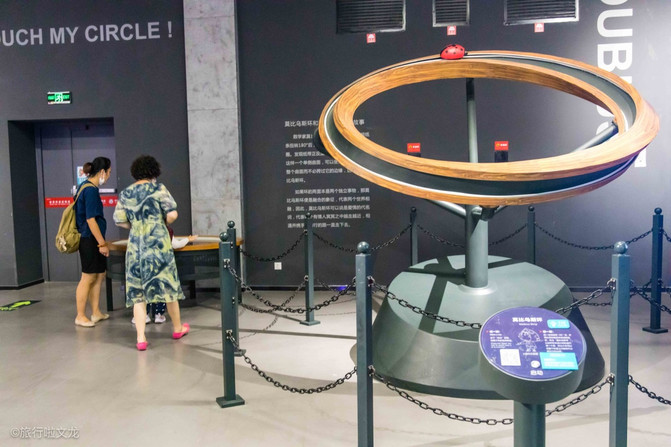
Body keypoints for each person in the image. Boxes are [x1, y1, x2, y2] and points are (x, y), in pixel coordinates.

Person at [113, 155, 189, 351]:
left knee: (138, 294)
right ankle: (178, 328)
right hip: (158, 245)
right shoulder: (158, 189)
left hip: (136, 247)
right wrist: (159, 222)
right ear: (154, 171)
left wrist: (136, 225)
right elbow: (172, 214)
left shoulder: (126, 193)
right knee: (169, 287)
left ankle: (141, 338)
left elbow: (119, 220)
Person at [74, 157, 112, 328]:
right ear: (102, 171)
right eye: (109, 172)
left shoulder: (87, 187)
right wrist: (102, 244)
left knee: (99, 274)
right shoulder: (90, 190)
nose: (109, 176)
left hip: (93, 238)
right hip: (89, 239)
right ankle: (80, 315)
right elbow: (91, 220)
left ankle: (96, 312)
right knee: (88, 277)